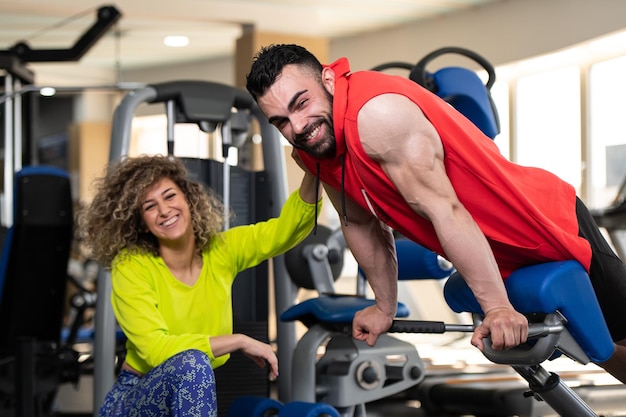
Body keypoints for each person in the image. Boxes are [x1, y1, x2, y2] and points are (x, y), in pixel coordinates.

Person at [245, 43, 626, 384]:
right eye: (280, 121)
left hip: (544, 224)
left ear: (327, 79)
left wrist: (496, 306)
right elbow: (358, 221)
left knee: (613, 339)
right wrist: (383, 305)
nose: (297, 128)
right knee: (598, 350)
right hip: (496, 256)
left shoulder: (376, 114)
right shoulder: (317, 149)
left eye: (301, 103)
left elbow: (447, 210)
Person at [78, 154, 321, 416]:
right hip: (134, 401)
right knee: (192, 363)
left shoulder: (222, 251)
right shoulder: (131, 266)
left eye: (170, 196)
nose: (164, 210)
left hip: (188, 397)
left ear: (188, 199)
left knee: (194, 365)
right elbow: (156, 350)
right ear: (142, 223)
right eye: (150, 206)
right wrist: (238, 340)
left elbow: (285, 231)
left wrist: (316, 169)